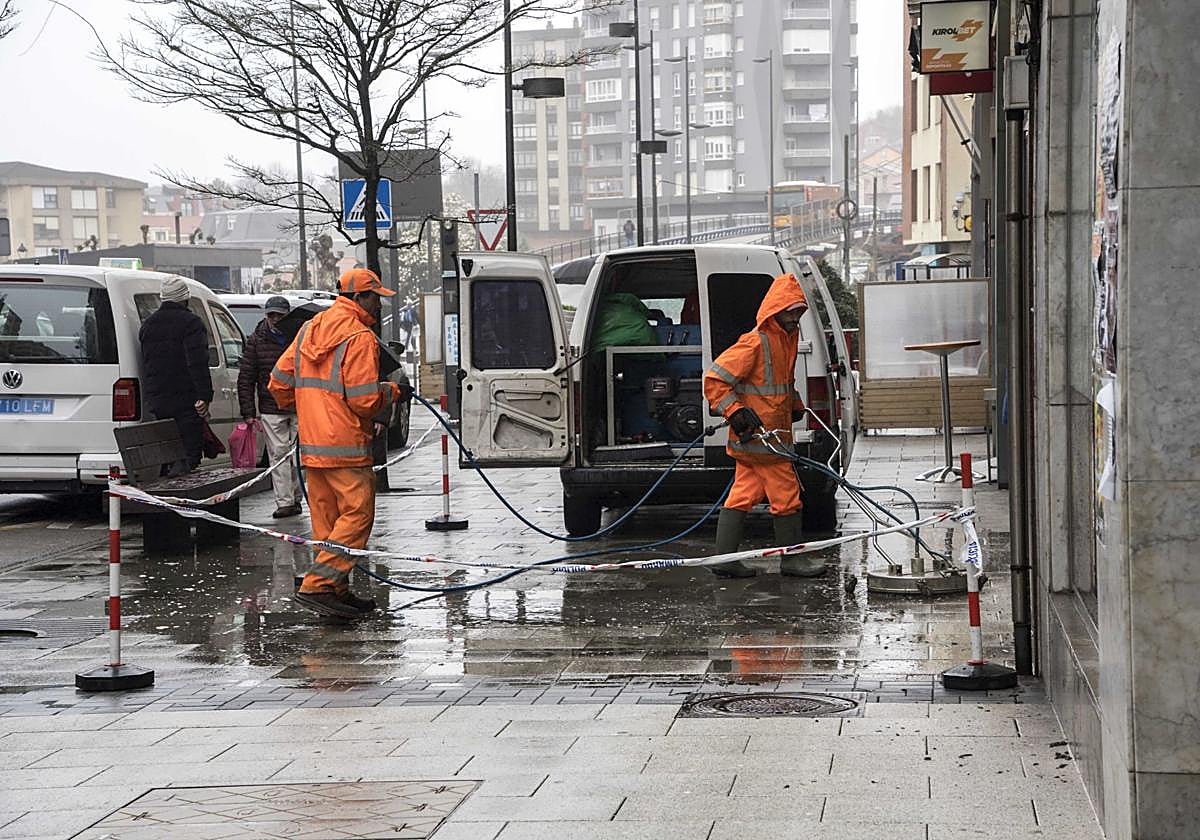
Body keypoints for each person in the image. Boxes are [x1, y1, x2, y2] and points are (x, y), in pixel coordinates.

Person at [269, 268, 412, 619]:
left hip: (313, 446)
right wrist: (394, 392)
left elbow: (278, 384)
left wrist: (311, 409)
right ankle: (319, 585)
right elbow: (364, 399)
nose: (379, 304)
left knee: (328, 524)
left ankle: (335, 590)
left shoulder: (309, 329)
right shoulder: (360, 337)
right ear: (359, 297)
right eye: (375, 297)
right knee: (357, 517)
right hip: (346, 445)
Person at [702, 272, 822, 579]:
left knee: (742, 494)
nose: (795, 317)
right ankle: (792, 561)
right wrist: (736, 412)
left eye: (799, 311)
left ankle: (725, 559)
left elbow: (781, 383)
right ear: (776, 309)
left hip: (764, 438)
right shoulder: (755, 342)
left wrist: (794, 405)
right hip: (764, 440)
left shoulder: (785, 340)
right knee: (787, 496)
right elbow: (715, 380)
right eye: (790, 311)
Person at [139, 276, 213, 474]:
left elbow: (148, 363)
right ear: (185, 298)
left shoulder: (148, 325)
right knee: (189, 455)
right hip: (186, 399)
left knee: (169, 453)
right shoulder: (191, 323)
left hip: (159, 401)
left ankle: (169, 481)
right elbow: (197, 362)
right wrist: (204, 396)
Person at [238, 296, 303, 519]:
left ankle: (295, 497)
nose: (275, 319)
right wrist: (248, 411)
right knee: (278, 454)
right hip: (271, 406)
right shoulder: (257, 339)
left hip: (298, 405)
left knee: (297, 456)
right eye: (271, 315)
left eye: (279, 315)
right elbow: (246, 376)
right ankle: (285, 502)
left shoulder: (299, 337)